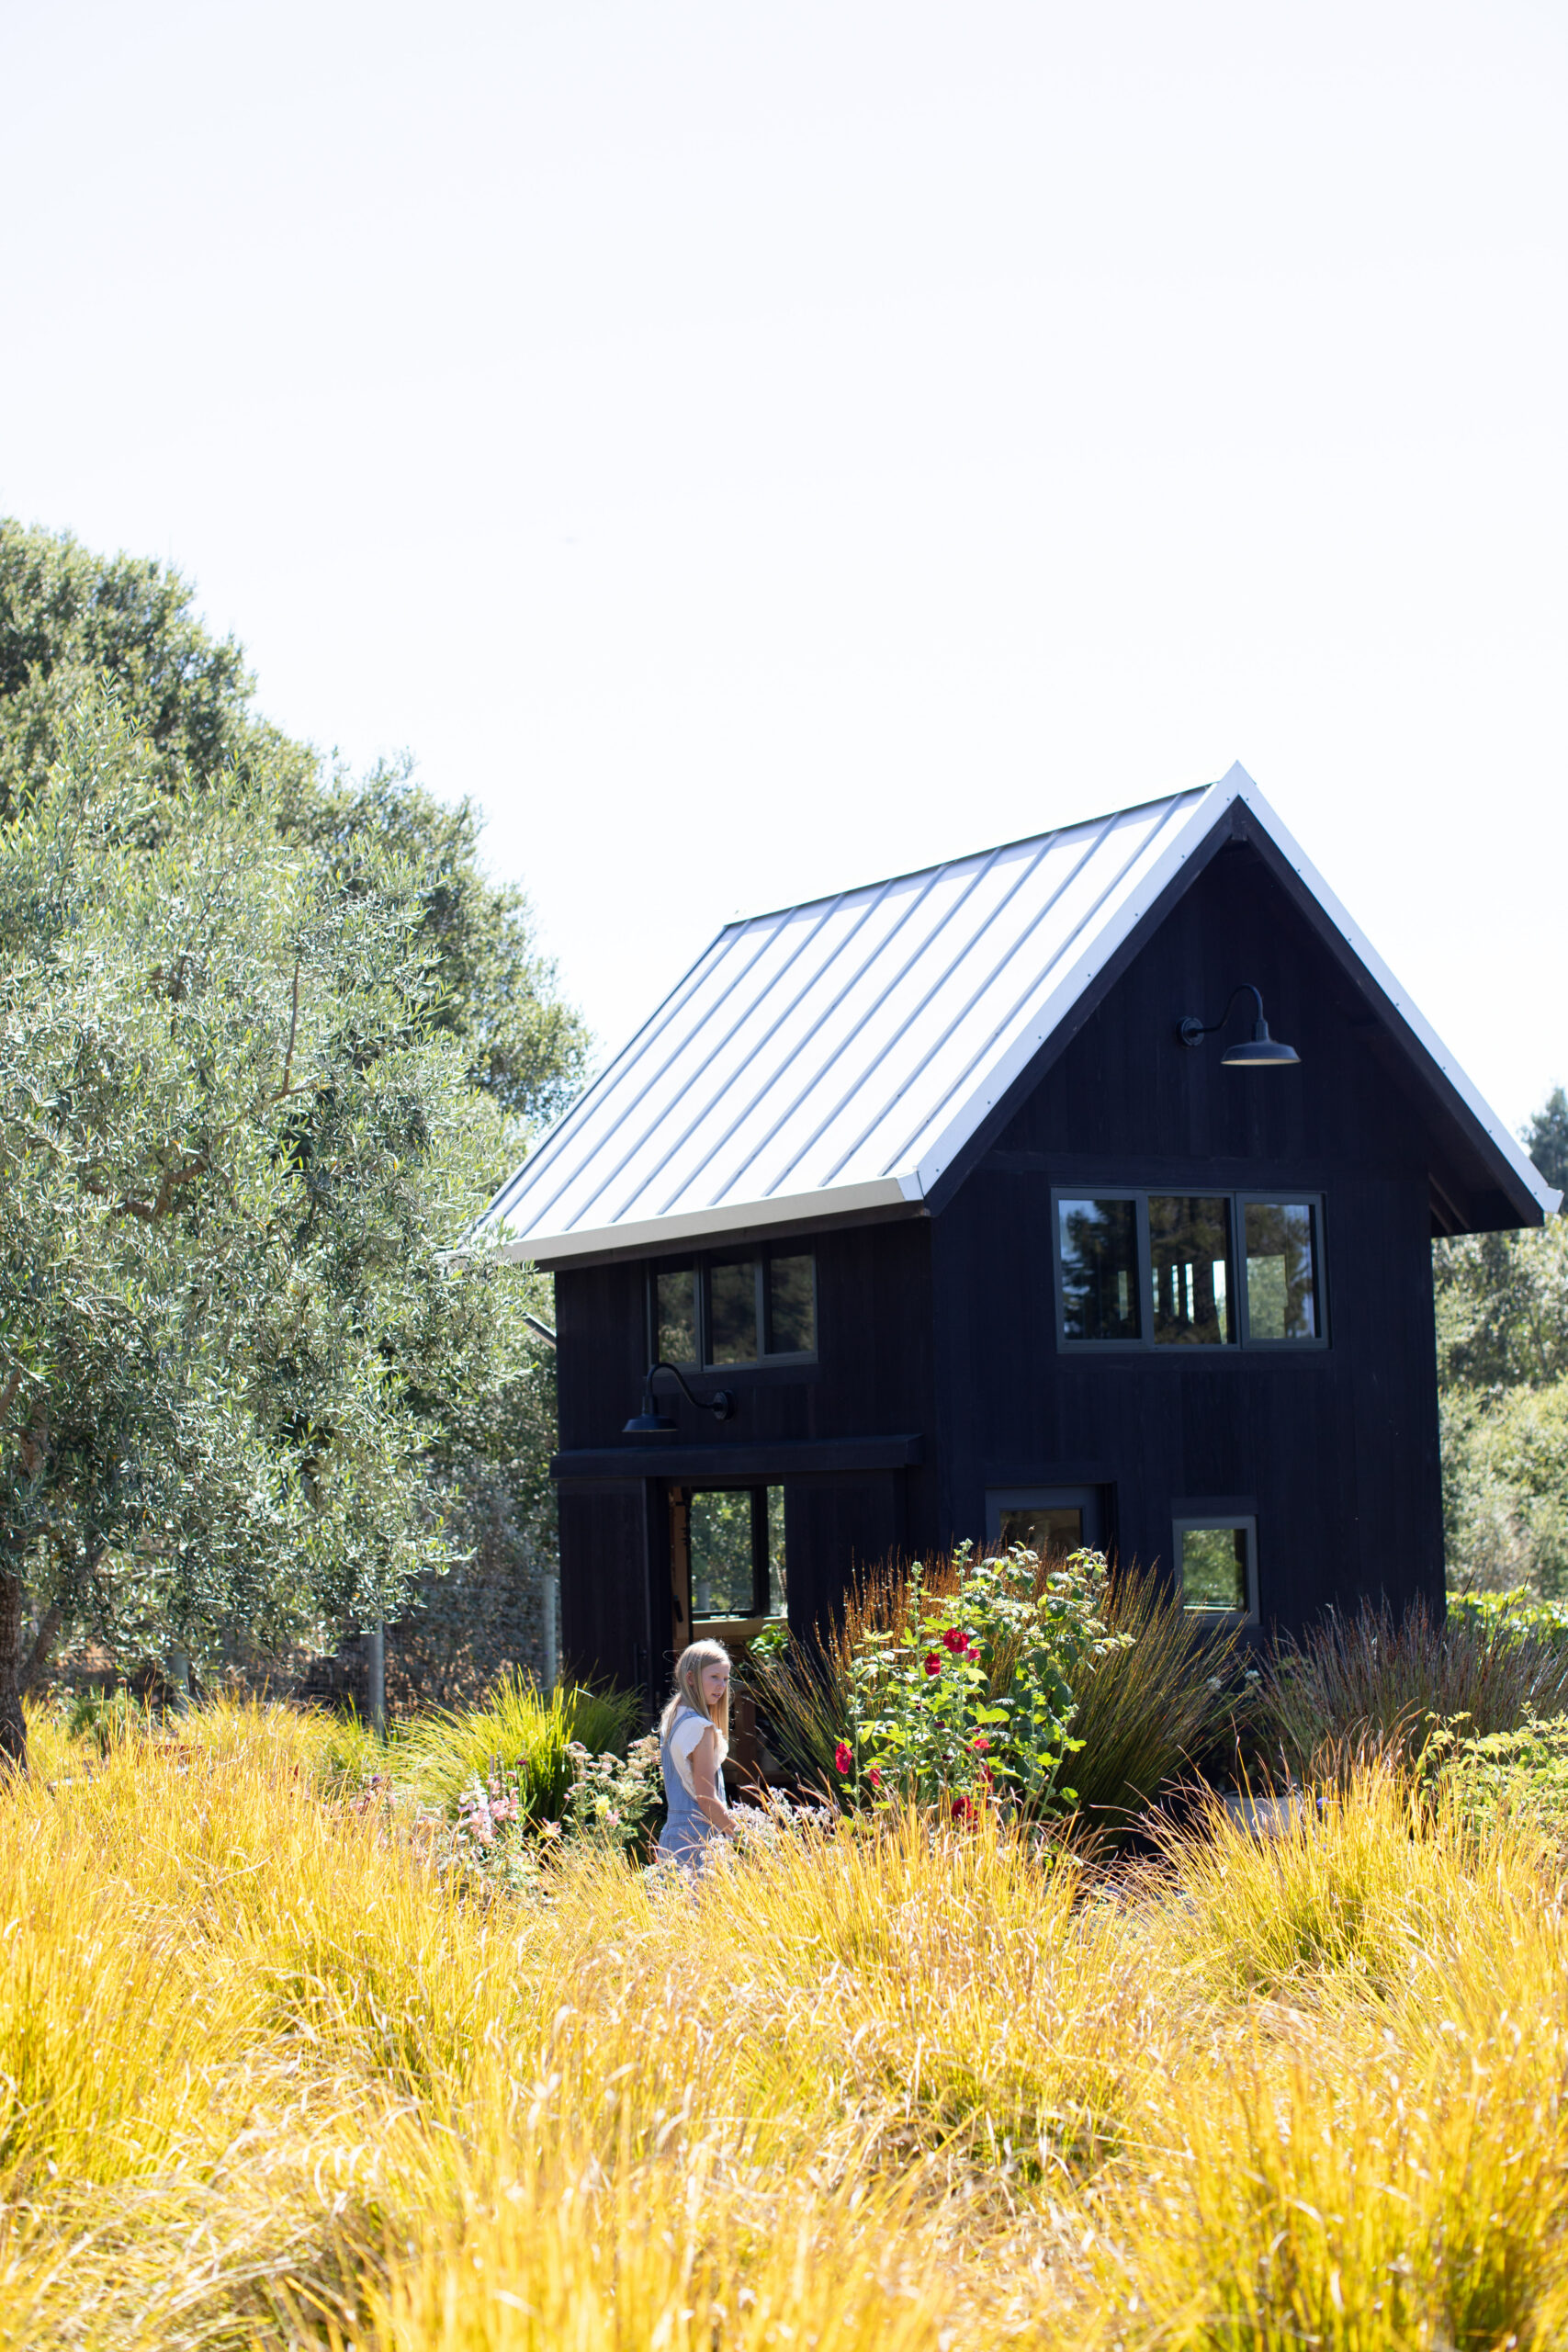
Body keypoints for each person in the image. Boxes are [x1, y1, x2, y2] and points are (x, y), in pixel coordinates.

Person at [657, 1637, 741, 1869]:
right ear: (691, 1678)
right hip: (700, 1842)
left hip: (674, 1838)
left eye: (725, 1679)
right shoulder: (698, 1727)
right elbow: (705, 1798)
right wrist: (743, 1838)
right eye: (714, 1677)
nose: (721, 1686)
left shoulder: (673, 1717)